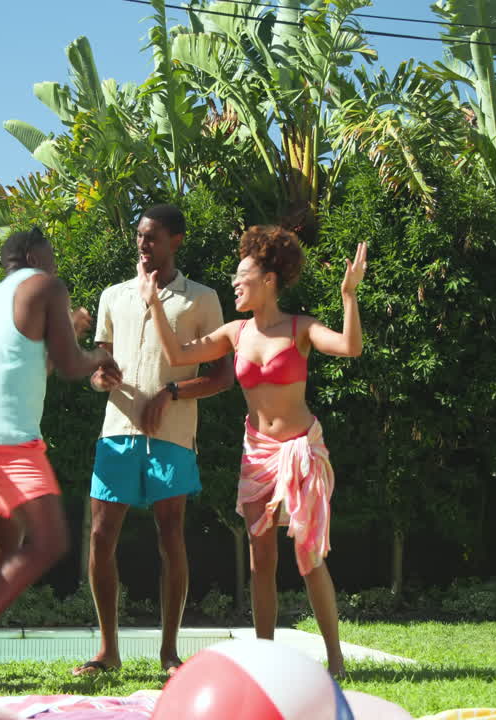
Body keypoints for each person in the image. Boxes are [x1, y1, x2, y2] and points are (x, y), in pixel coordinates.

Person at [141, 225, 367, 677]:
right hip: (258, 451)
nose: (234, 283)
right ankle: (266, 658)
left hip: (300, 448)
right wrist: (153, 304)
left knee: (308, 556)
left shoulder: (302, 328)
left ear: (268, 280)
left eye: (242, 276)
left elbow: (350, 347)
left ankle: (336, 657)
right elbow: (179, 353)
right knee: (260, 558)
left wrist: (349, 295)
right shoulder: (235, 332)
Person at [0, 228, 120, 685]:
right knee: (49, 543)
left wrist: (72, 334)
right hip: (7, 436)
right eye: (52, 255)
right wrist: (99, 354)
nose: (56, 265)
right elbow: (68, 367)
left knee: (3, 545)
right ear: (32, 255)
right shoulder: (45, 285)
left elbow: (24, 363)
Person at [73, 204, 233, 677]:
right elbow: (97, 368)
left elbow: (223, 377)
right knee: (101, 537)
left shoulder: (201, 298)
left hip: (173, 436)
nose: (143, 244)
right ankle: (108, 651)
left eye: (153, 237)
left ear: (175, 241)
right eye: (140, 236)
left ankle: (169, 653)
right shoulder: (112, 296)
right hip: (117, 434)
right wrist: (99, 379)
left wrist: (173, 392)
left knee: (171, 537)